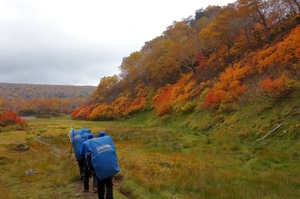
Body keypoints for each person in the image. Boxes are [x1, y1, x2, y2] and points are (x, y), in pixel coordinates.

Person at [81, 131, 120, 199]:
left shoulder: (94, 144)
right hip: (108, 167)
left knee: (100, 185)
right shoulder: (108, 142)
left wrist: (92, 169)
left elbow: (89, 157)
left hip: (99, 169)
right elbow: (114, 151)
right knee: (109, 185)